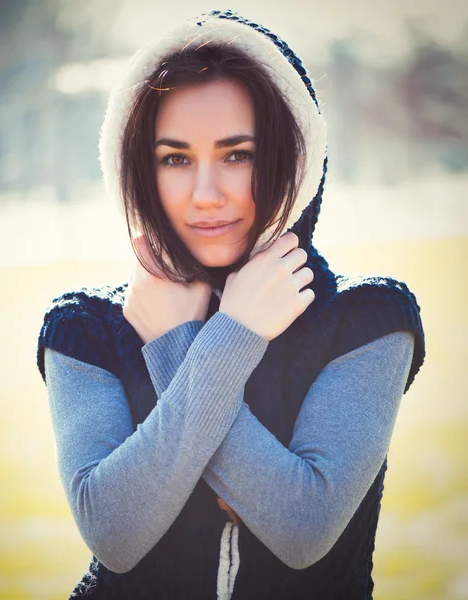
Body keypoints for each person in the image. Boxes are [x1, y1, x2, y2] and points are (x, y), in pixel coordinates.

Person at [36, 9, 425, 600]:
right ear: (138, 170)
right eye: (176, 158)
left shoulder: (367, 321)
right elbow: (113, 533)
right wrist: (225, 339)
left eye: (237, 154)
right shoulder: (86, 328)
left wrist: (183, 348)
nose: (206, 194)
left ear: (295, 156)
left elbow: (303, 528)